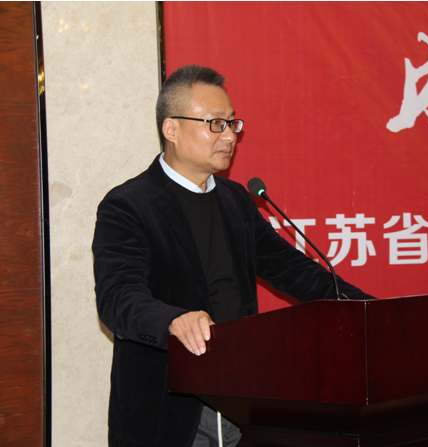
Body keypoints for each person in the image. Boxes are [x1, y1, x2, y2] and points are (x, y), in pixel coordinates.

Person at [92, 65, 374, 447]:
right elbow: (118, 298)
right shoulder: (128, 205)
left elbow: (292, 269)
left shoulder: (235, 199)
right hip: (171, 406)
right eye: (215, 124)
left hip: (242, 397)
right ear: (171, 129)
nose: (229, 136)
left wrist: (369, 310)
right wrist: (172, 319)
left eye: (232, 123)